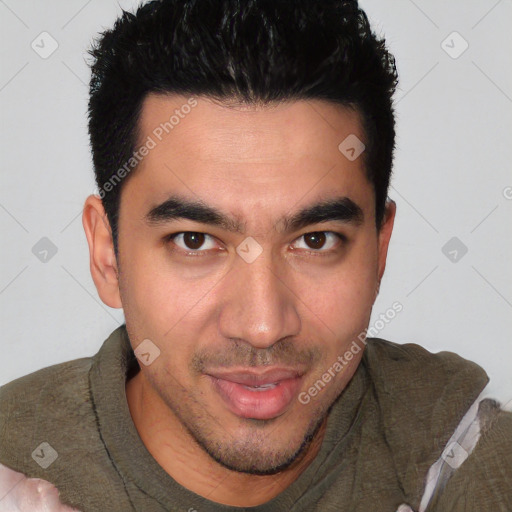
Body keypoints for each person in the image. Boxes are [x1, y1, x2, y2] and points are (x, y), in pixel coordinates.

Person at [1, 1, 510, 511]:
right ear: (108, 254)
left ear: (379, 250)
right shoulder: (13, 464)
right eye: (195, 241)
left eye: (316, 240)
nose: (263, 326)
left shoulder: (468, 461)